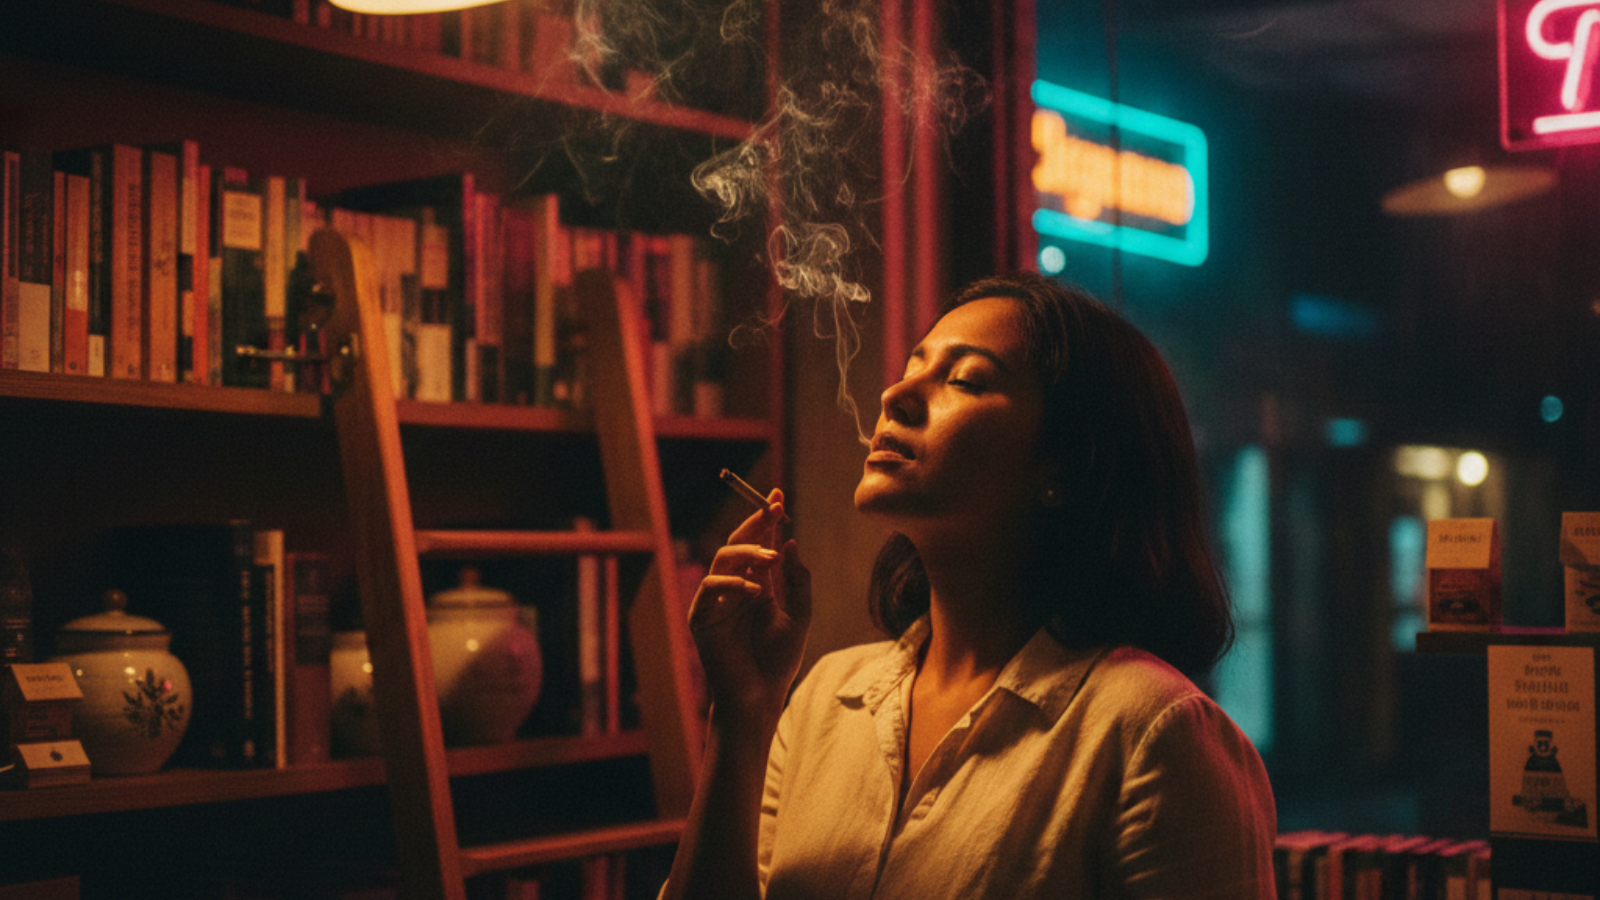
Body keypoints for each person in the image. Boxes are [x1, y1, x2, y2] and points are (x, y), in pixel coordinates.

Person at [663, 272, 1277, 900]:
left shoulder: (1154, 732)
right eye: (912, 366)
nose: (897, 393)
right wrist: (741, 716)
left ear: (1062, 466)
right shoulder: (825, 697)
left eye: (965, 380)